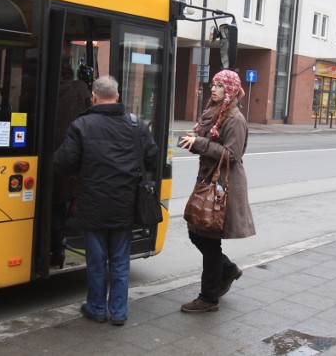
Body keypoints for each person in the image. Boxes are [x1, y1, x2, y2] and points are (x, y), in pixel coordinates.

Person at [53, 75, 158, 326]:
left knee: (96, 262)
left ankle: (97, 308)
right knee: (121, 261)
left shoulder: (82, 125)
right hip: (124, 206)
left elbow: (62, 163)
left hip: (93, 205)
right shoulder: (136, 125)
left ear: (94, 97)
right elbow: (152, 157)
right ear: (118, 97)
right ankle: (119, 312)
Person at [178, 69, 256, 313]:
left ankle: (209, 298)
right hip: (210, 181)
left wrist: (200, 143)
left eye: (220, 86)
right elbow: (209, 143)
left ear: (230, 90)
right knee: (198, 233)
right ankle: (228, 270)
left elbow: (232, 155)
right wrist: (193, 139)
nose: (214, 89)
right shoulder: (213, 113)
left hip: (224, 186)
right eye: (213, 84)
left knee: (208, 240)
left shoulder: (235, 118)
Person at [50, 58, 92, 268]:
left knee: (52, 204)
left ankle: (53, 246)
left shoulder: (42, 86)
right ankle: (59, 248)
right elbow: (90, 114)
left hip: (48, 156)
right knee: (62, 205)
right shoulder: (80, 89)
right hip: (72, 155)